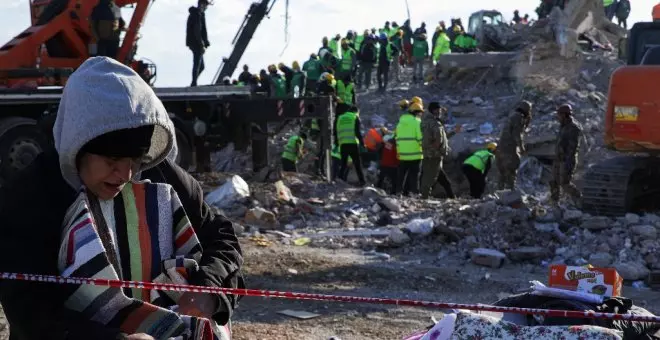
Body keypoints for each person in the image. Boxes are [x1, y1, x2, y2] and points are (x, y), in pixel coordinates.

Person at [0, 57, 244, 340]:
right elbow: (28, 307)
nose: (126, 174)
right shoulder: (33, 196)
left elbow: (222, 238)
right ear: (77, 144)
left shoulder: (162, 177)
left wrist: (208, 290)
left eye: (136, 159)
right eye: (113, 159)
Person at [420, 102, 458, 199]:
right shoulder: (434, 124)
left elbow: (442, 137)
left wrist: (454, 132)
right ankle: (424, 198)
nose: (440, 112)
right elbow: (438, 140)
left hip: (431, 155)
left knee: (443, 179)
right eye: (439, 110)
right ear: (434, 110)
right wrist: (437, 150)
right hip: (434, 156)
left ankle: (452, 197)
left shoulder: (426, 121)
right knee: (429, 178)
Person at [496, 100, 532, 190]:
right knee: (511, 172)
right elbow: (517, 135)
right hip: (509, 149)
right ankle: (509, 194)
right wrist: (521, 148)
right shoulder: (518, 117)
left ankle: (499, 195)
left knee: (502, 174)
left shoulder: (511, 116)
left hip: (500, 148)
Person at [551, 104, 582, 204]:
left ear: (564, 115)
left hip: (567, 159)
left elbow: (572, 147)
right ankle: (554, 202)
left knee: (564, 184)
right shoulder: (563, 126)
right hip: (558, 158)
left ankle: (579, 198)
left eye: (559, 114)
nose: (558, 117)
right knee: (553, 181)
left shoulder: (573, 128)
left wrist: (568, 161)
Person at [395, 102, 424, 196]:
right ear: (415, 112)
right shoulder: (417, 122)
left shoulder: (400, 123)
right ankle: (415, 193)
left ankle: (399, 192)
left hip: (403, 155)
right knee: (414, 175)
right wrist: (424, 148)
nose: (421, 114)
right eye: (420, 112)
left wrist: (399, 152)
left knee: (401, 175)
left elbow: (397, 138)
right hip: (415, 153)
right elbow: (420, 138)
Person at [335, 103, 366, 186]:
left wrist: (337, 142)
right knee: (357, 164)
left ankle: (339, 180)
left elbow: (337, 131)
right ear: (356, 111)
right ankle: (362, 181)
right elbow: (357, 132)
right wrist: (362, 143)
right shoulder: (355, 117)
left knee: (343, 164)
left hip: (343, 144)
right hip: (352, 143)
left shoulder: (340, 117)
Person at [186, 0, 211, 86]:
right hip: (196, 43)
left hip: (195, 42)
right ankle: (194, 83)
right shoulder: (196, 15)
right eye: (206, 6)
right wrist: (202, 44)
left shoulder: (198, 14)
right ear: (202, 4)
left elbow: (202, 30)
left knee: (201, 66)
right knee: (197, 64)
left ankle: (194, 82)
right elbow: (197, 30)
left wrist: (206, 41)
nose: (206, 8)